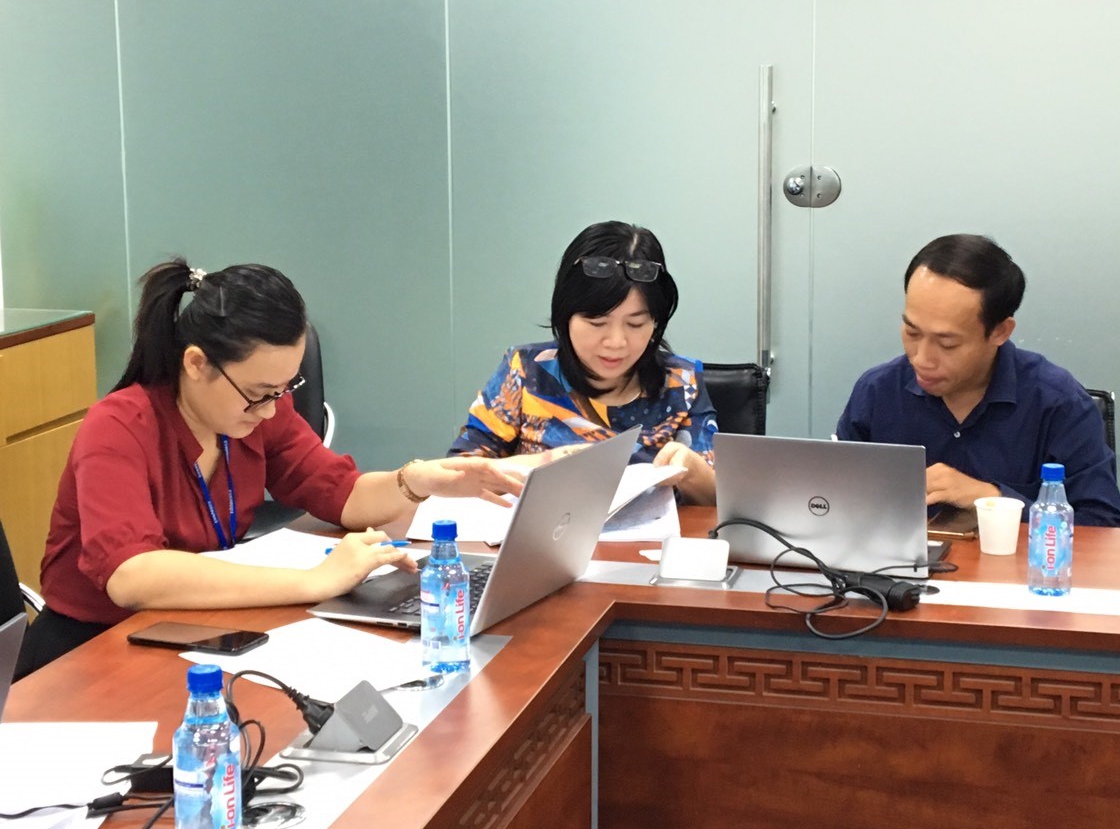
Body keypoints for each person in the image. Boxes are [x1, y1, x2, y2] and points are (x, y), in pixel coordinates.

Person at [16, 259, 522, 678]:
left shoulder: (256, 413)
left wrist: (413, 482)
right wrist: (314, 582)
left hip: (196, 633)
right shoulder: (119, 427)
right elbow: (132, 577)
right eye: (259, 393)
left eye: (284, 389)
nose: (272, 409)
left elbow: (340, 493)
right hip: (93, 651)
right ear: (196, 364)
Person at [835, 234, 1120, 527]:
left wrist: (993, 500)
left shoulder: (1059, 404)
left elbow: (1104, 527)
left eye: (947, 344)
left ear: (1000, 332)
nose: (922, 359)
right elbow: (834, 504)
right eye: (912, 333)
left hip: (1013, 559)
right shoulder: (877, 392)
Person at [449, 221, 718, 505]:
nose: (616, 342)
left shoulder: (682, 382)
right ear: (565, 316)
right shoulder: (526, 370)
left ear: (656, 323)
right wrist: (543, 463)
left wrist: (692, 471)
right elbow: (459, 472)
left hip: (651, 533)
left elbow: (722, 502)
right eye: (597, 322)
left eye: (636, 324)